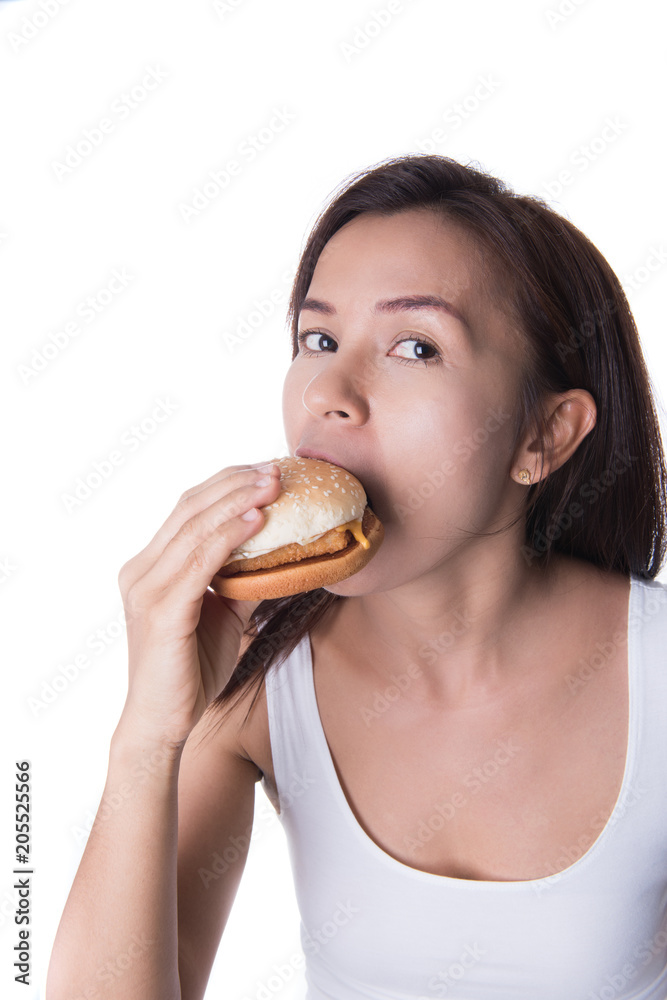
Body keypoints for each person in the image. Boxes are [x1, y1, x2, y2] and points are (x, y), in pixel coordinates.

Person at [46, 154, 667, 1000]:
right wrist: (147, 742)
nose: (328, 392)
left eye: (414, 346)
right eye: (318, 339)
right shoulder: (251, 680)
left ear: (545, 437)